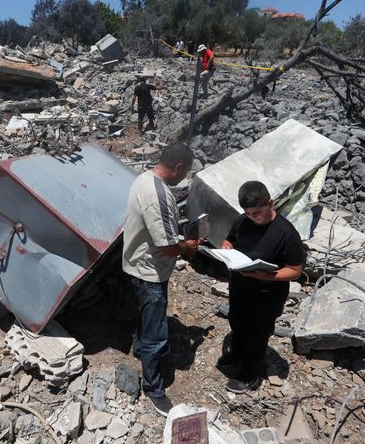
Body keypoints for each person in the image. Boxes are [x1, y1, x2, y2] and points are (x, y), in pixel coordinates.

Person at [122, 143, 200, 416]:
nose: (184, 177)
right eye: (185, 172)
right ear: (178, 168)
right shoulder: (158, 194)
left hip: (135, 263)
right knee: (156, 330)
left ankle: (139, 347)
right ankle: (154, 388)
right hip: (150, 271)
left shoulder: (143, 178)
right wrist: (188, 247)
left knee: (145, 312)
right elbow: (167, 246)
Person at [217, 181, 305, 393]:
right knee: (237, 323)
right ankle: (235, 355)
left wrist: (265, 275)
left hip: (267, 295)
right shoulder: (242, 221)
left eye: (257, 212)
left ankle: (249, 374)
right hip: (240, 287)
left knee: (257, 334)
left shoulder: (287, 233)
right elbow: (229, 239)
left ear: (270, 203)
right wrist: (226, 248)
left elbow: (295, 270)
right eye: (248, 213)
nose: (252, 217)